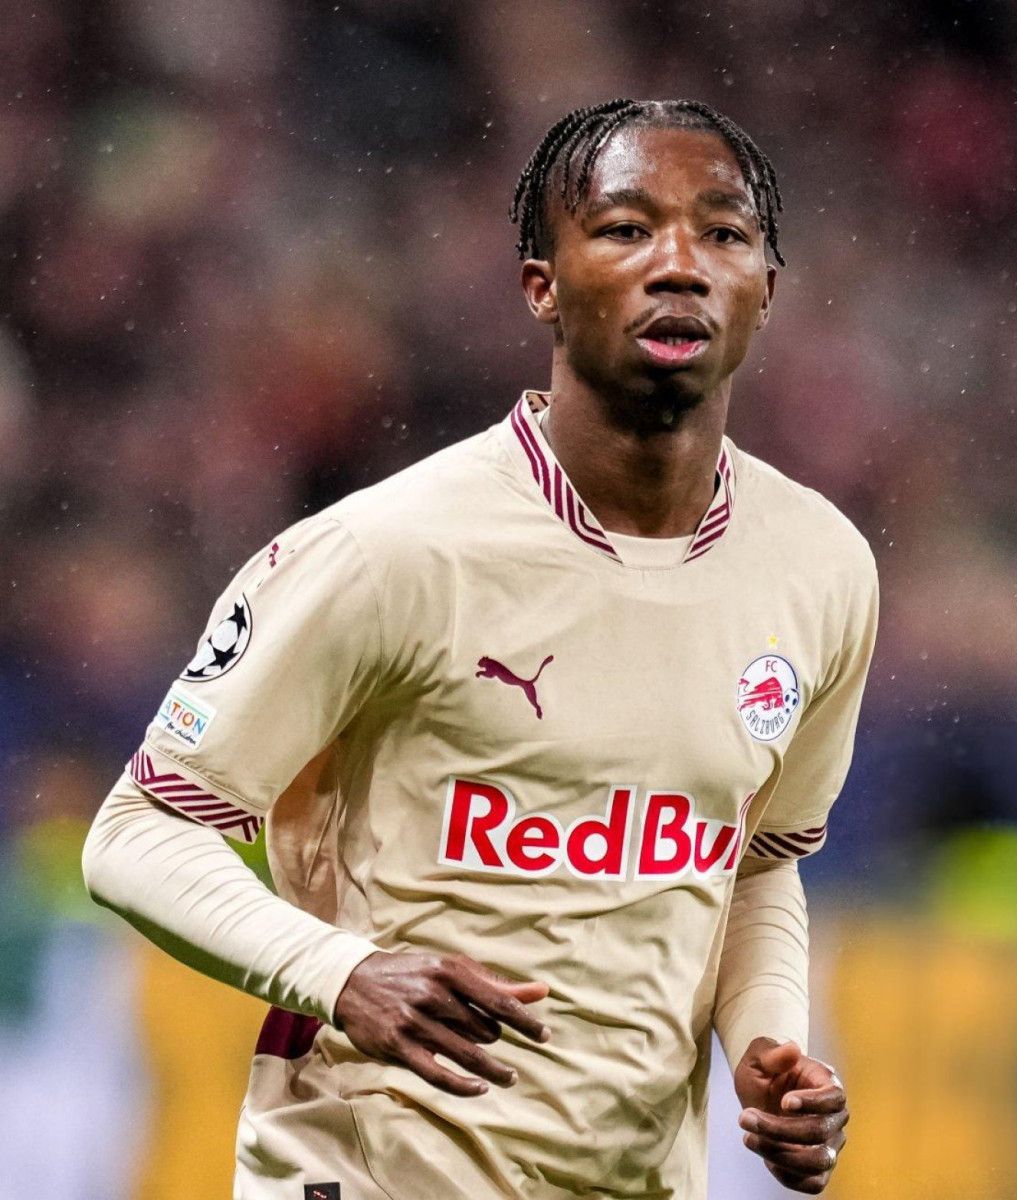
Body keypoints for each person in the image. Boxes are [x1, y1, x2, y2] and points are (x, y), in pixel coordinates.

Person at [82, 98, 877, 1199]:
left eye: (723, 233)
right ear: (541, 286)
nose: (680, 264)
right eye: (625, 228)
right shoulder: (387, 552)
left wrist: (768, 1047)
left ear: (766, 292)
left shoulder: (822, 567)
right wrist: (343, 974)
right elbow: (138, 834)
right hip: (367, 1172)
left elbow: (754, 866)